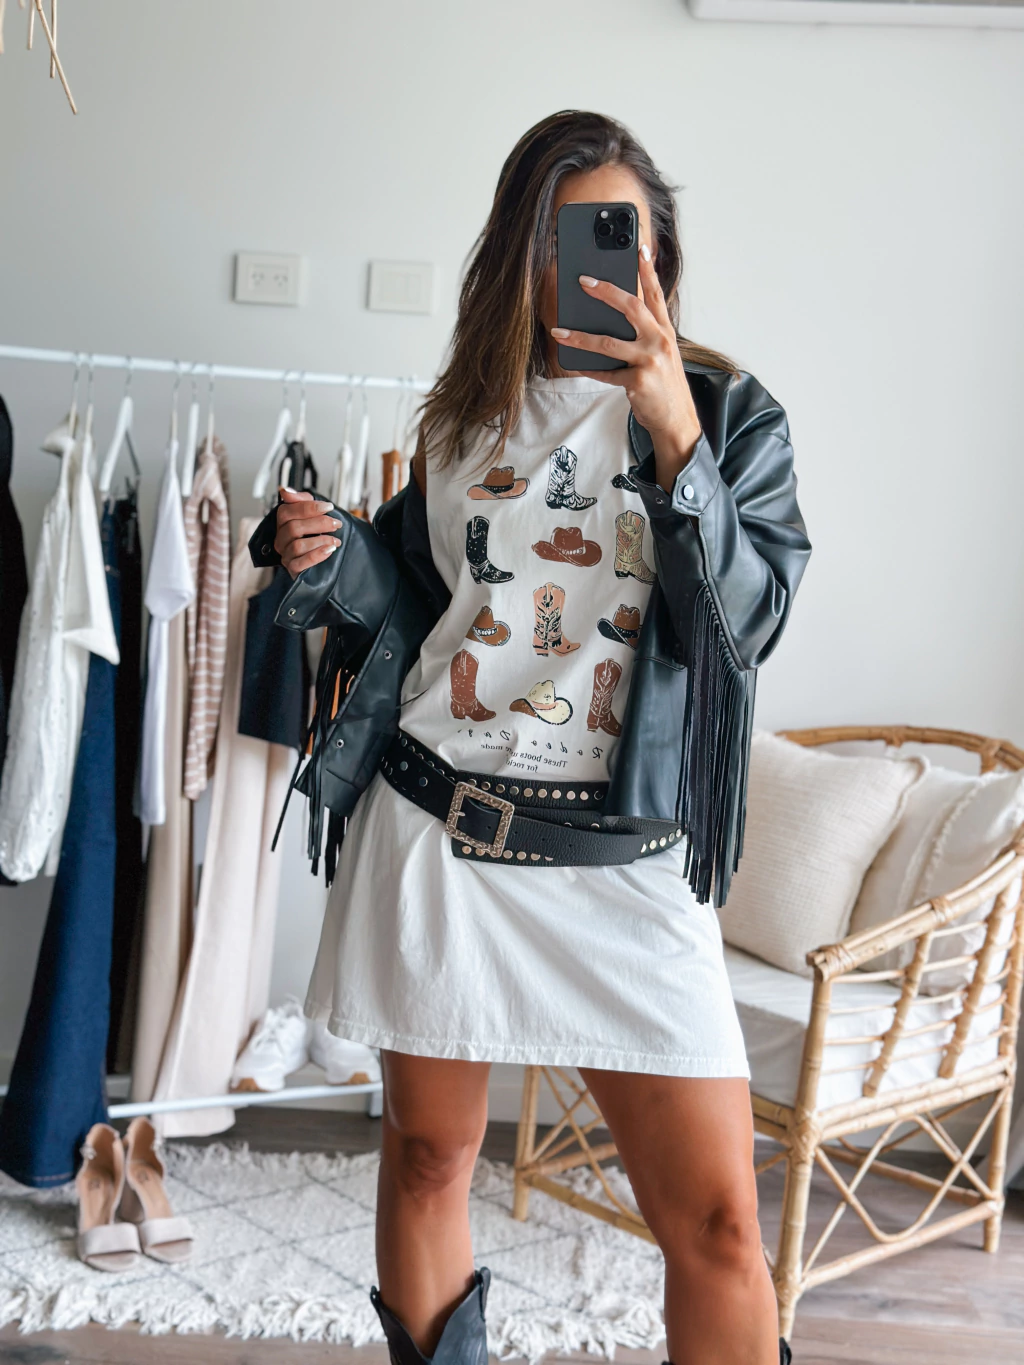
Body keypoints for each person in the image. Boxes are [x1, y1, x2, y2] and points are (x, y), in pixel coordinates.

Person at [264, 110, 811, 1365]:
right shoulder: (465, 414)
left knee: (720, 1226)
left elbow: (745, 625)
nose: (603, 267)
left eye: (624, 238)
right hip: (441, 833)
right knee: (426, 1159)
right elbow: (428, 605)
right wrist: (335, 555)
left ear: (658, 255)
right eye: (570, 239)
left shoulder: (727, 417)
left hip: (624, 862)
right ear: (525, 252)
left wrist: (673, 437)